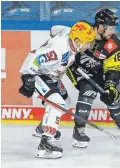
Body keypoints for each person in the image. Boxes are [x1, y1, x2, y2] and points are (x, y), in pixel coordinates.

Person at [19, 21, 95, 159]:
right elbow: (35, 57)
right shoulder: (59, 50)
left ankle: (42, 127)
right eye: (88, 42)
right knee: (57, 104)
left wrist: (52, 38)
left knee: (65, 102)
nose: (89, 45)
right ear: (77, 41)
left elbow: (54, 29)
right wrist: (27, 76)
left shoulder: (69, 33)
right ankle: (46, 141)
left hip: (51, 77)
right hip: (39, 74)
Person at [66, 9, 120, 148]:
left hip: (98, 72)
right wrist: (70, 63)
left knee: (110, 95)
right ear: (100, 27)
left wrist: (110, 85)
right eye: (110, 28)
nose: (113, 31)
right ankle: (79, 129)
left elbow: (114, 68)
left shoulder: (113, 44)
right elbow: (66, 41)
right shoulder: (84, 30)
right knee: (88, 91)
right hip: (76, 69)